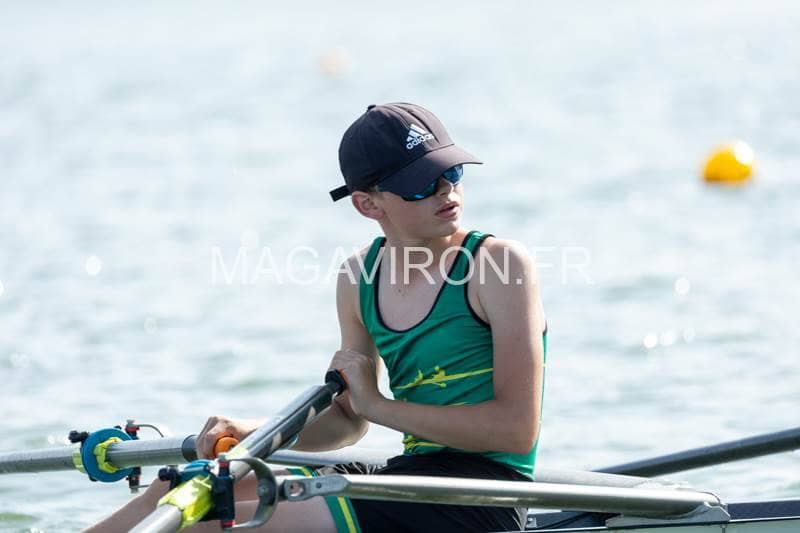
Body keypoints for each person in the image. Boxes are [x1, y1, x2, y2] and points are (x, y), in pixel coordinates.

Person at [87, 102, 546, 533]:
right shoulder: (358, 277)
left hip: (485, 495)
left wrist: (378, 406)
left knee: (205, 525)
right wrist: (253, 431)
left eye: (452, 172)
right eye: (421, 184)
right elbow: (348, 419)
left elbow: (515, 431)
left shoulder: (498, 265)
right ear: (368, 204)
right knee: (180, 489)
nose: (446, 190)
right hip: (413, 475)